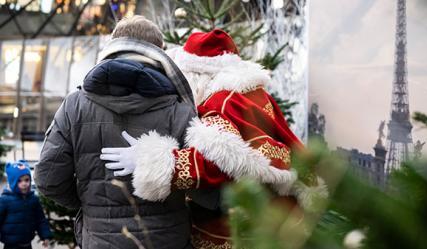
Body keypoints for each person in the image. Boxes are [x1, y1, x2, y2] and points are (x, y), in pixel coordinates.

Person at [101, 29, 327, 248]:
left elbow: (220, 159)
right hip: (280, 218)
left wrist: (152, 162)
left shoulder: (220, 102)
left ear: (197, 75)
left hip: (241, 228)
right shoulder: (253, 93)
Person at [34, 16, 196, 249]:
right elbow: (201, 182)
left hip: (100, 240)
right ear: (160, 52)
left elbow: (48, 178)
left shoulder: (74, 105)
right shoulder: (179, 110)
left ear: (113, 46)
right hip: (167, 240)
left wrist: (90, 202)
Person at [0, 160, 52, 249]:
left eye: (27, 180)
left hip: (27, 244)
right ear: (12, 182)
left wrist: (45, 236)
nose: (24, 183)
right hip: (10, 245)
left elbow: (40, 219)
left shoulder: (33, 199)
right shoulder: (5, 200)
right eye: (19, 181)